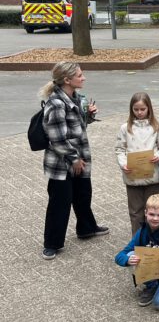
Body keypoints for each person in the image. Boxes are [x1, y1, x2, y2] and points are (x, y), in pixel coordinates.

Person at [40, 61, 107, 260]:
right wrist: (74, 159)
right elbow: (57, 139)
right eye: (79, 75)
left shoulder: (75, 97)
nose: (83, 77)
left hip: (79, 159)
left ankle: (86, 228)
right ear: (67, 80)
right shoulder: (57, 104)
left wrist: (90, 116)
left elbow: (77, 127)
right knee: (60, 202)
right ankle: (51, 243)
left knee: (83, 194)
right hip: (63, 163)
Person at [114, 194, 159, 310]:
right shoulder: (143, 230)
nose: (155, 218)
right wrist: (128, 260)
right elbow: (120, 256)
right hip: (152, 269)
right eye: (151, 214)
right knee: (131, 254)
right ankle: (152, 285)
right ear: (145, 213)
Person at [115, 92, 159, 236]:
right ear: (131, 110)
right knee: (136, 212)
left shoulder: (156, 126)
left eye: (143, 109)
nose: (139, 112)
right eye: (136, 109)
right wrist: (123, 164)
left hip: (152, 175)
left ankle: (154, 239)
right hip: (133, 176)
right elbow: (119, 149)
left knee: (154, 210)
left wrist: (158, 156)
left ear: (149, 108)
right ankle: (137, 240)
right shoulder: (125, 128)